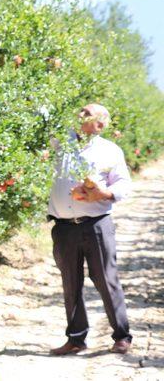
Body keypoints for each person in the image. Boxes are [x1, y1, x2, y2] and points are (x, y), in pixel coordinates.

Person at [48, 103, 132, 356]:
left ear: (100, 125)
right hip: (63, 227)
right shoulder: (60, 142)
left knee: (106, 280)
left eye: (87, 113)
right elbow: (41, 118)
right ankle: (76, 338)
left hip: (96, 225)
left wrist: (103, 193)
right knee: (70, 282)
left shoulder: (110, 150)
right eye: (81, 110)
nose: (80, 114)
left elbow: (123, 185)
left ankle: (121, 335)